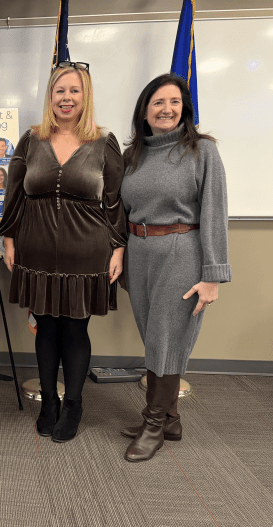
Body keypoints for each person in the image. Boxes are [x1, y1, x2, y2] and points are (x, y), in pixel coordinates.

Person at [0, 62, 127, 443]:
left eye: (74, 91)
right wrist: (9, 239)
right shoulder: (31, 140)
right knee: (46, 327)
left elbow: (115, 202)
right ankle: (49, 403)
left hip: (86, 253)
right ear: (50, 97)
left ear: (85, 96)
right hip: (35, 250)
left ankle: (73, 404)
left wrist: (118, 248)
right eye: (60, 91)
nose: (66, 98)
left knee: (74, 328)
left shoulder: (104, 142)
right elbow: (14, 194)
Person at [120, 73, 231, 462]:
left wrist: (213, 276)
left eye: (174, 102)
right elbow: (121, 210)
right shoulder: (132, 155)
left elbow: (215, 212)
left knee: (166, 341)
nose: (166, 109)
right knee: (154, 340)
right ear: (144, 111)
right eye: (157, 102)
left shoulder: (202, 151)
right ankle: (170, 419)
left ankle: (153, 426)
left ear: (185, 109)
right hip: (139, 254)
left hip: (181, 253)